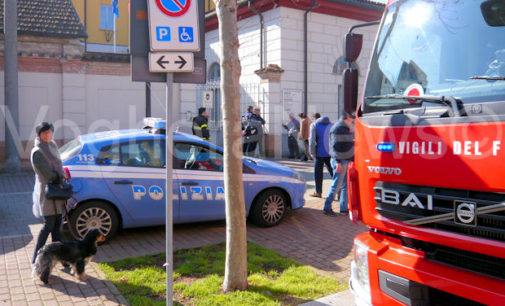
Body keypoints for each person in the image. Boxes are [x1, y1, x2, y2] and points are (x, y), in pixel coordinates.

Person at [31, 122, 67, 265]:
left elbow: (60, 165)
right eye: (44, 132)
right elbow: (46, 174)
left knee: (58, 225)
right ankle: (36, 259)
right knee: (49, 225)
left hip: (57, 191)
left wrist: (62, 175)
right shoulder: (37, 151)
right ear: (38, 135)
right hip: (47, 192)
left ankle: (61, 258)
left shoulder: (52, 146)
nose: (47, 135)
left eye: (50, 132)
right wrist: (60, 176)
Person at [323, 112, 355, 216]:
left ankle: (343, 208)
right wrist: (338, 162)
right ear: (347, 118)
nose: (353, 120)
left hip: (346, 160)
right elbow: (335, 146)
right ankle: (327, 207)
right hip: (341, 161)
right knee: (337, 185)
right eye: (351, 118)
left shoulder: (345, 128)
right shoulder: (338, 128)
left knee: (345, 185)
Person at [309, 115, 333, 197]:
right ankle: (338, 191)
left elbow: (312, 140)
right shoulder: (332, 125)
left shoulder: (314, 125)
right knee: (333, 172)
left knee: (318, 173)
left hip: (319, 153)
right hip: (330, 153)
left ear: (314, 119)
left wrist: (311, 152)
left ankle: (318, 192)